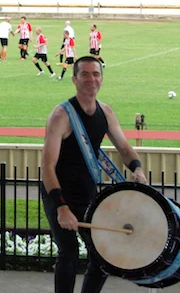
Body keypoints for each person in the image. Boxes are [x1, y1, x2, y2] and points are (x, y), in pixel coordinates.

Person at [41, 56, 147, 293]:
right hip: (59, 193)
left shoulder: (106, 112)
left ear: (102, 78)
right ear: (75, 79)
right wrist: (61, 207)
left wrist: (137, 168)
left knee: (102, 255)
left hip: (87, 193)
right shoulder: (61, 116)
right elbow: (47, 167)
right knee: (68, 252)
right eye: (85, 74)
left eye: (96, 74)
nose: (91, 79)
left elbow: (125, 149)